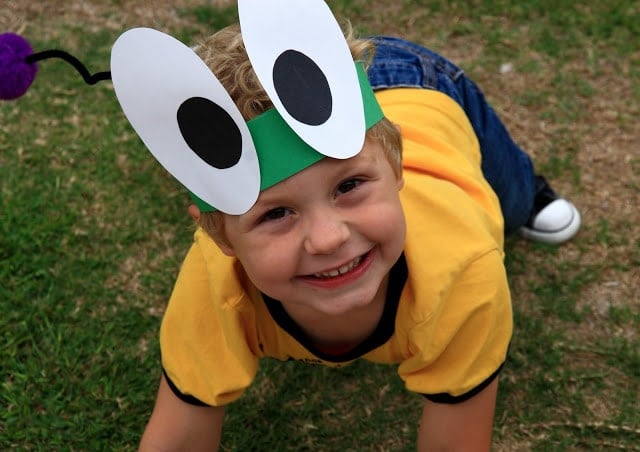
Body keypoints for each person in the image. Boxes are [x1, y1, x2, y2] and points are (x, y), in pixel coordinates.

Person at [137, 21, 580, 452]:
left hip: (421, 86)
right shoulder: (214, 289)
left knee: (514, 198)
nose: (327, 239)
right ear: (222, 239)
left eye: (348, 186)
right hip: (321, 82)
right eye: (276, 213)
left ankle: (531, 194)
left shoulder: (464, 272)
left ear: (397, 165)